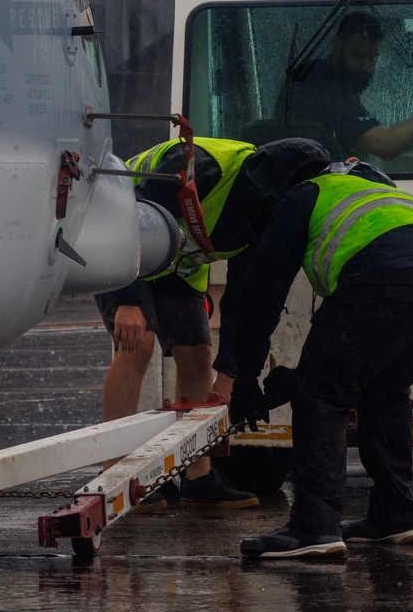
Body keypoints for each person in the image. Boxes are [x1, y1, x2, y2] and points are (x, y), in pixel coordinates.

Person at [227, 158, 413, 558]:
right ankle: (394, 515)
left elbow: (263, 291)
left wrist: (243, 378)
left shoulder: (303, 194)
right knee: (383, 385)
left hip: (388, 274)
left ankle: (314, 526)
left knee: (321, 394)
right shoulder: (380, 192)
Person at [97, 136, 332, 510]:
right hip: (125, 239)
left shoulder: (264, 216)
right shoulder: (199, 165)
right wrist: (128, 300)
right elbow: (131, 218)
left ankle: (198, 476)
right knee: (137, 343)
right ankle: (113, 478)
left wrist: (231, 375)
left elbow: (244, 301)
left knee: (198, 355)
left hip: (177, 261)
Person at [281, 10, 413, 160]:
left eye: (372, 58)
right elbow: (384, 145)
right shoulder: (324, 85)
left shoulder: (313, 74)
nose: (365, 66)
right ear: (337, 47)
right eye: (357, 55)